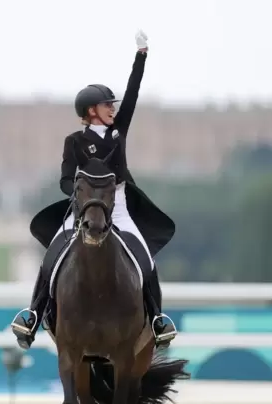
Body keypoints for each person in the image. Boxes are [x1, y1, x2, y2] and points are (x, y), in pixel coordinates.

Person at [11, 30, 178, 350]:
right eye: (106, 105)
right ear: (90, 111)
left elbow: (133, 95)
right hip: (85, 207)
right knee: (54, 255)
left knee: (144, 258)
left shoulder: (118, 132)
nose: (113, 109)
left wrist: (141, 56)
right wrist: (79, 192)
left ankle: (157, 319)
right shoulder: (74, 142)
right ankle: (33, 313)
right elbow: (64, 178)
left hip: (118, 207)